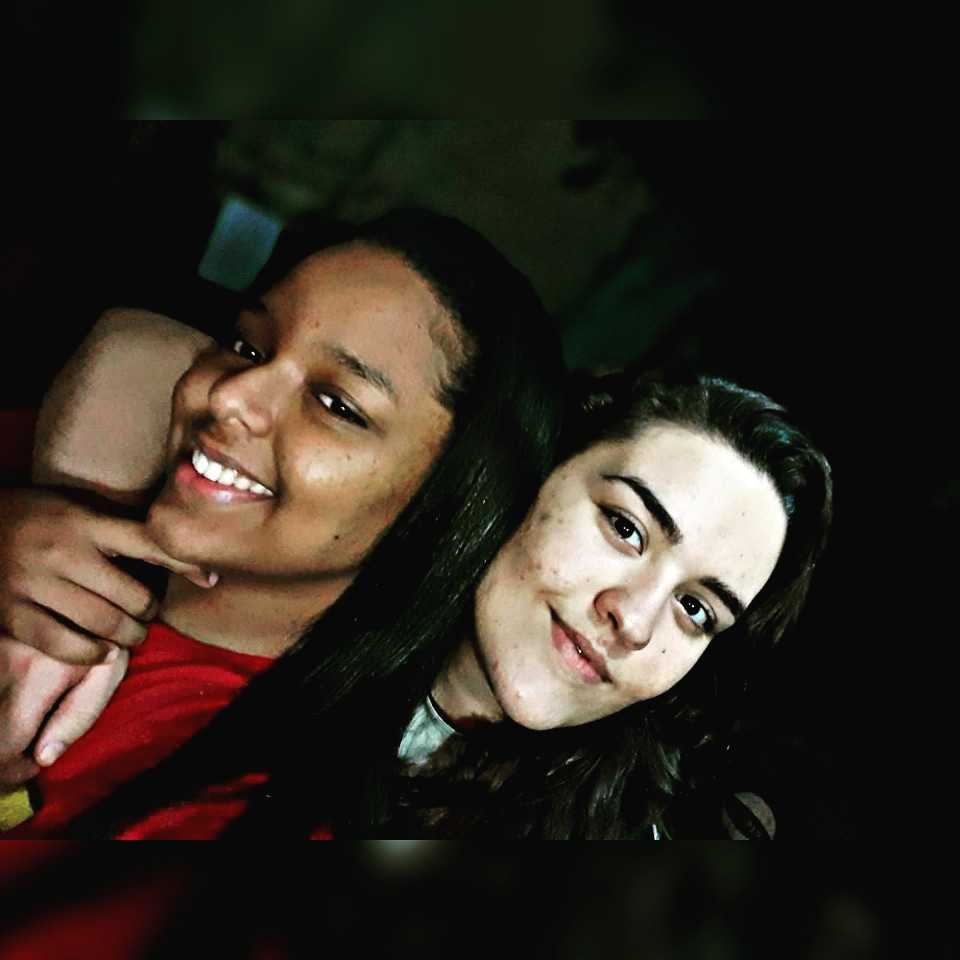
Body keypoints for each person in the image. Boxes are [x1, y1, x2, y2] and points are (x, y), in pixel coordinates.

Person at [5, 354, 831, 836]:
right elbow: (144, 351)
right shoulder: (284, 597)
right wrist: (61, 514)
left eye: (697, 610)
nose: (635, 620)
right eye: (624, 527)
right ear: (536, 467)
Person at [0, 205, 566, 829]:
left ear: (442, 509)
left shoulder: (253, 809)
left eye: (336, 405)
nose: (229, 394)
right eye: (248, 346)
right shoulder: (49, 498)